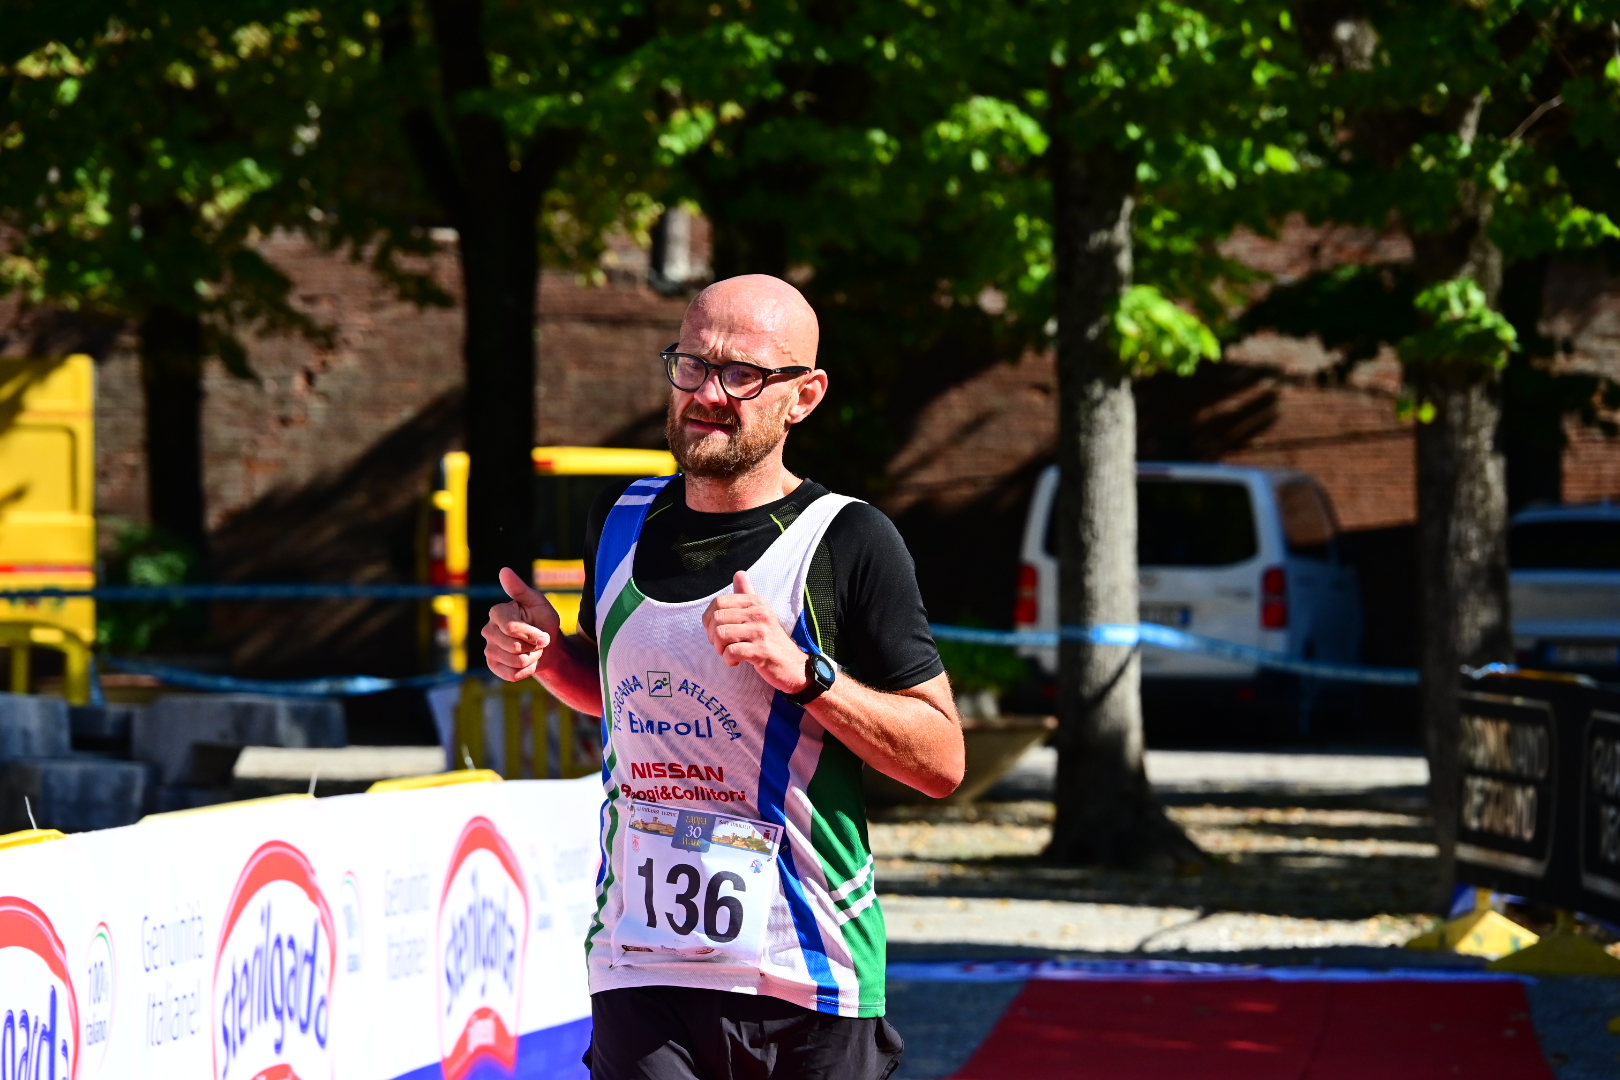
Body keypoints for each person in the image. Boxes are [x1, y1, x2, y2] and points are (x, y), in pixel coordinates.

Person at [482, 273, 964, 1080]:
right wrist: (548, 655)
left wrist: (805, 673)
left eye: (743, 374)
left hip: (802, 966)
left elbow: (942, 760)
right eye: (693, 365)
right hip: (640, 958)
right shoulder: (622, 520)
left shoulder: (846, 541)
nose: (709, 394)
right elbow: (625, 698)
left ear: (804, 396)